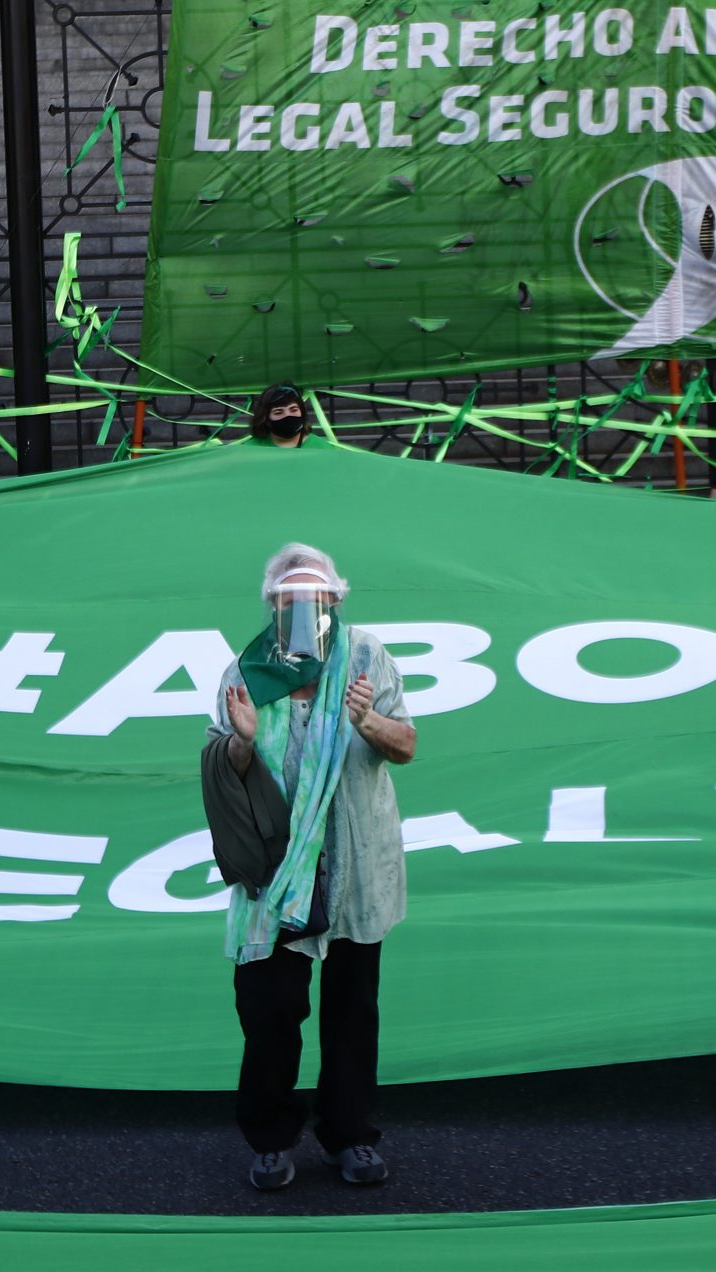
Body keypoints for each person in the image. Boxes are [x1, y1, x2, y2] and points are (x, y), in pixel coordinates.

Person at [201, 543, 416, 1192]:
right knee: (269, 1009)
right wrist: (241, 738)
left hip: (356, 863)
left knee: (354, 1010)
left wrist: (367, 719)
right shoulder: (246, 670)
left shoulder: (366, 657)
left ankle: (349, 1135)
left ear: (337, 603)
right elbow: (224, 770)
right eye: (291, 599)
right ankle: (270, 1137)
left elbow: (405, 745)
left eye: (318, 599)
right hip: (278, 869)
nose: (305, 609)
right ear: (272, 605)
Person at [250, 383, 310, 448]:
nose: (288, 415)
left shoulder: (321, 448)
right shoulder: (249, 450)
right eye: (278, 412)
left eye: (294, 410)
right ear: (265, 418)